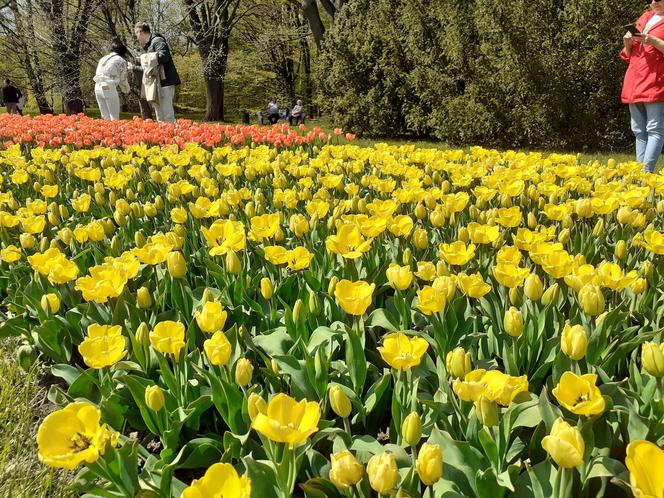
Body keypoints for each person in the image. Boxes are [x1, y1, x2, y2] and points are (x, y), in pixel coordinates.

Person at [621, 2, 664, 173]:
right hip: (634, 81)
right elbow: (628, 54)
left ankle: (646, 173)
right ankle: (640, 176)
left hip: (655, 82)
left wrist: (654, 41)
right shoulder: (645, 17)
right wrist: (627, 44)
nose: (654, 2)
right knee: (638, 131)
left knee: (655, 129)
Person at [134, 22, 180, 123]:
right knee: (159, 116)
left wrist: (143, 57)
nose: (136, 38)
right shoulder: (150, 45)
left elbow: (164, 55)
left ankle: (170, 137)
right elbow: (150, 68)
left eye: (136, 34)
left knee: (167, 116)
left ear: (140, 32)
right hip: (157, 84)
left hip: (165, 82)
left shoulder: (157, 40)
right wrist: (134, 66)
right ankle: (163, 137)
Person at [93, 39, 130, 121]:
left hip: (97, 86)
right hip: (108, 86)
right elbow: (123, 79)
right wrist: (126, 90)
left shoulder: (103, 58)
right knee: (114, 117)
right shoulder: (121, 60)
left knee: (105, 117)